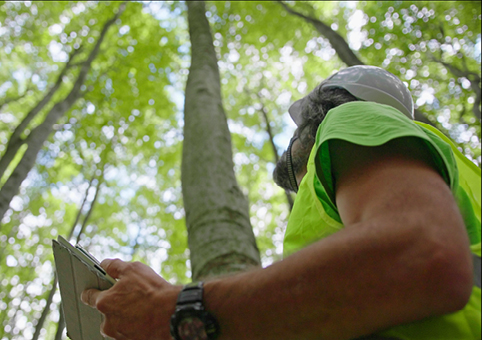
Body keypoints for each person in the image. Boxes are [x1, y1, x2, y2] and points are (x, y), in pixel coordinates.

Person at [81, 66, 481, 340]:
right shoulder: (451, 168)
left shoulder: (351, 119)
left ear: (321, 110)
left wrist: (177, 310)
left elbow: (420, 254)